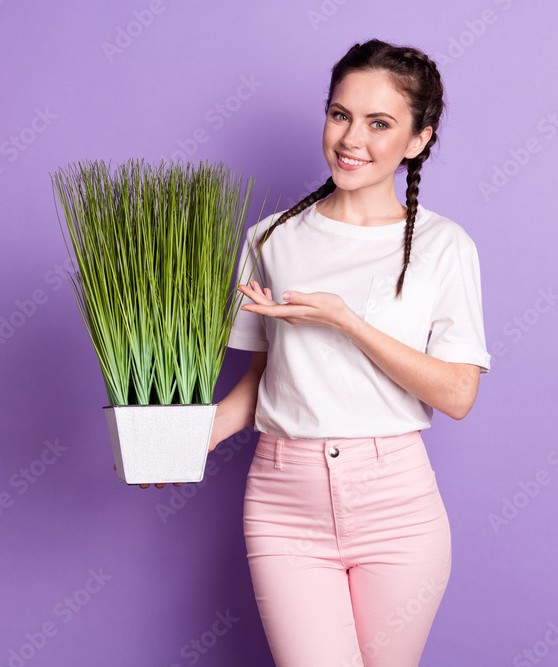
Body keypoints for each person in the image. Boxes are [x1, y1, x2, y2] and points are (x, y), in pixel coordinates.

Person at [209, 39, 492, 666]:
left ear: (418, 139)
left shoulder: (444, 246)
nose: (351, 138)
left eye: (379, 123)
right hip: (285, 501)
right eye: (340, 114)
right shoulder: (271, 238)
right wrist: (182, 441)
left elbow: (457, 394)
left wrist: (347, 322)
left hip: (397, 504)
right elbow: (264, 379)